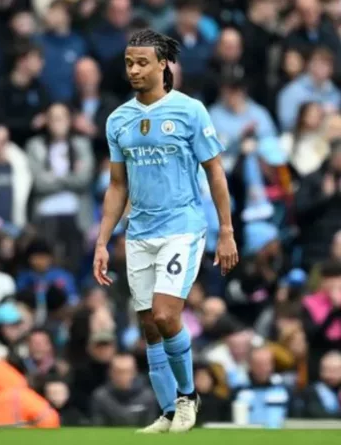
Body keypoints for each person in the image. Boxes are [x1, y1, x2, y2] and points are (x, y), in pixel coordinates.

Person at [93, 29, 239, 434]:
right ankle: (169, 414)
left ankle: (188, 396)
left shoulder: (189, 111)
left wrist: (225, 230)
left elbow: (215, 172)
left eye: (142, 62)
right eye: (128, 63)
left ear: (163, 65)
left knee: (165, 313)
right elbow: (117, 185)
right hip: (139, 231)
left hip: (183, 226)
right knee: (149, 326)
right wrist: (102, 241)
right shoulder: (118, 119)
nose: (134, 70)